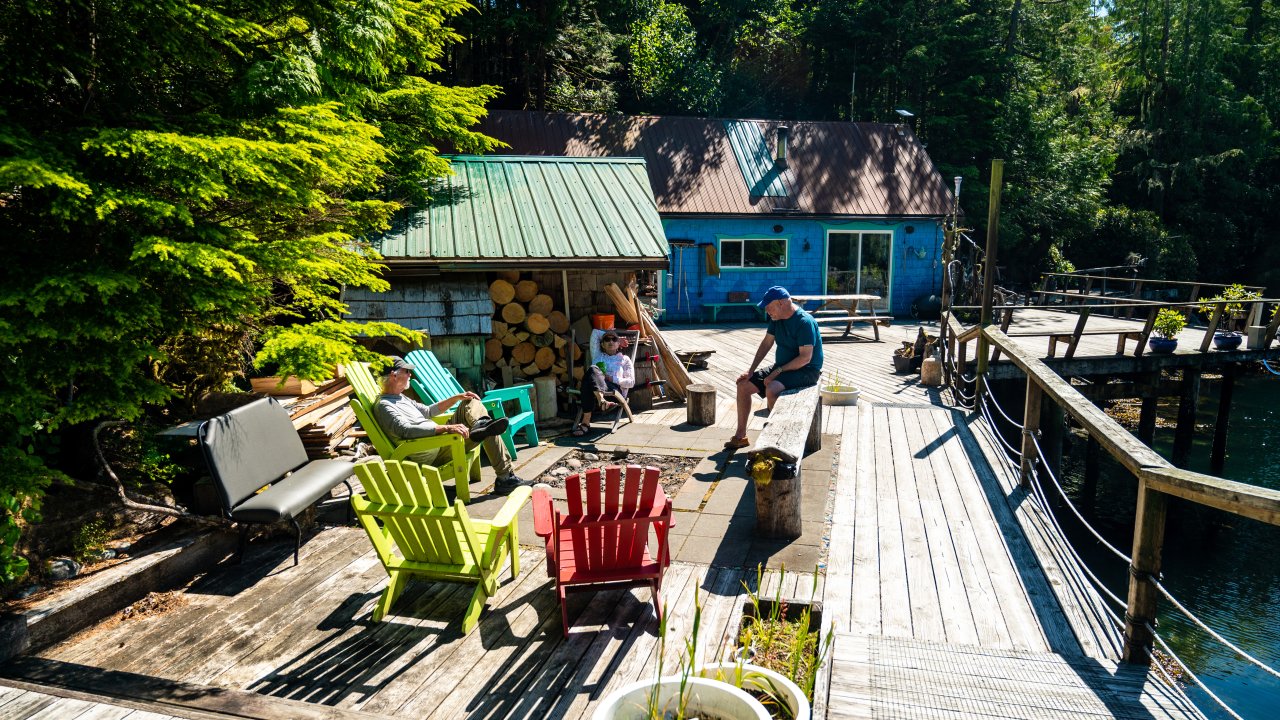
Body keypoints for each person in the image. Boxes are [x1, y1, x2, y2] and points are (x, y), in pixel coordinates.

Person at [372, 356, 531, 493]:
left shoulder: (400, 398)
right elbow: (405, 430)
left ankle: (480, 425)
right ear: (394, 375)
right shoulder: (385, 406)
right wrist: (446, 428)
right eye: (406, 371)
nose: (410, 374)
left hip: (438, 440)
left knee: (471, 402)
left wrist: (457, 397)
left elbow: (428, 411)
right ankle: (504, 477)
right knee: (487, 430)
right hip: (432, 449)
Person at [725, 286, 824, 449]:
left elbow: (805, 358)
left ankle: (775, 438)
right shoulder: (776, 319)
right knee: (742, 385)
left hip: (807, 370)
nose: (766, 310)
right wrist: (751, 371)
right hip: (783, 367)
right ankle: (740, 436)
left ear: (781, 303)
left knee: (772, 388)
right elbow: (766, 344)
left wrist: (777, 372)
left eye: (768, 306)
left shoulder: (804, 322)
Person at [573, 331, 635, 436]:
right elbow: (595, 333)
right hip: (597, 390)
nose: (611, 341)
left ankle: (585, 423)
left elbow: (631, 382)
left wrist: (612, 378)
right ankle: (601, 400)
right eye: (607, 339)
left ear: (618, 344)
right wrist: (617, 338)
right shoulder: (598, 355)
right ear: (602, 344)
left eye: (614, 339)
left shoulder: (624, 359)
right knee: (593, 370)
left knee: (590, 378)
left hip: (614, 392)